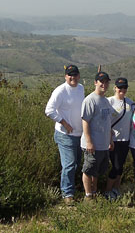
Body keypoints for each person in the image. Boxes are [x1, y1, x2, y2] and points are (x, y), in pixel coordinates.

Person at [45, 64, 85, 205]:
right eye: (70, 75)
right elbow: (49, 110)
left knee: (76, 164)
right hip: (65, 134)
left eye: (75, 74)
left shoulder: (81, 88)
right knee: (69, 164)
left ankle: (74, 189)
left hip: (79, 134)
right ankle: (67, 194)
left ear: (79, 76)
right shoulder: (60, 91)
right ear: (65, 76)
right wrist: (64, 123)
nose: (72, 77)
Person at [80, 71, 116, 200]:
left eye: (106, 82)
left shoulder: (105, 101)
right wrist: (89, 142)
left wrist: (110, 139)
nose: (104, 84)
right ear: (96, 82)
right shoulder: (90, 100)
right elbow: (85, 122)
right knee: (88, 169)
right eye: (102, 82)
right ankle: (88, 195)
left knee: (97, 171)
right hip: (92, 144)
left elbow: (108, 123)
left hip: (103, 144)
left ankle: (94, 192)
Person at [104, 77, 135, 200]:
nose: (122, 90)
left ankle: (116, 189)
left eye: (124, 87)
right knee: (115, 166)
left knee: (120, 166)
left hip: (125, 139)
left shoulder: (130, 103)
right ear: (115, 88)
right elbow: (104, 120)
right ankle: (107, 191)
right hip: (113, 140)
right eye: (119, 87)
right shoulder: (109, 101)